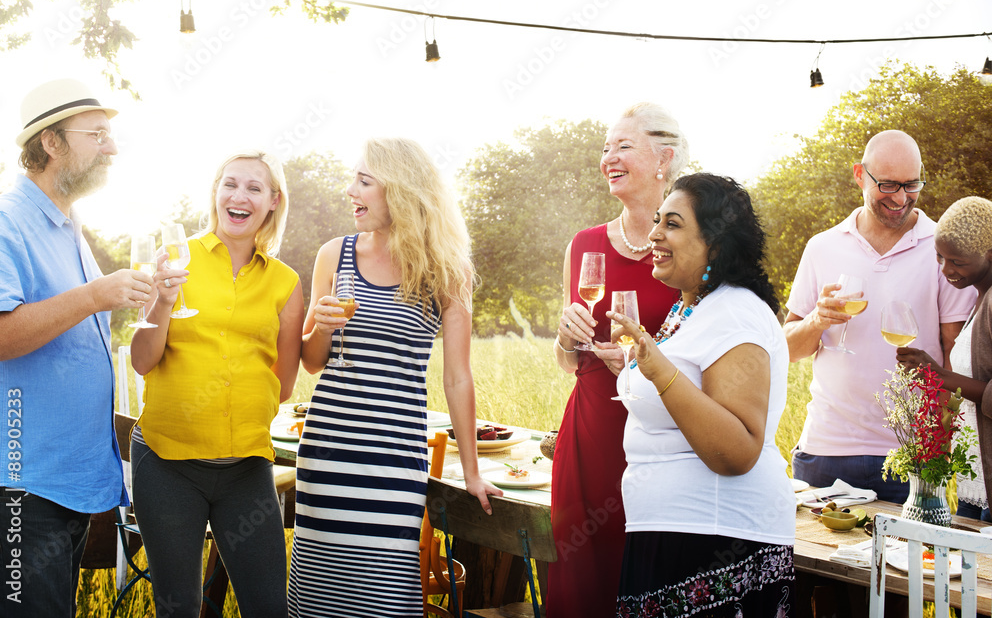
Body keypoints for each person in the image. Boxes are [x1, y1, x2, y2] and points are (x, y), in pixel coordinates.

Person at [287, 137, 501, 618]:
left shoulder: (447, 271)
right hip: (328, 452)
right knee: (320, 597)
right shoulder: (333, 255)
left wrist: (471, 474)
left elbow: (458, 379)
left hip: (394, 458)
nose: (350, 191)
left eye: (364, 181)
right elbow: (312, 361)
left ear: (400, 191)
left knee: (385, 598)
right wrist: (319, 325)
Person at [0, 78, 148, 618]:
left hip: (67, 482)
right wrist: (94, 295)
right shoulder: (3, 223)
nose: (112, 147)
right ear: (52, 143)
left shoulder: (67, 225)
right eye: (97, 134)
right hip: (22, 485)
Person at [608, 173, 794, 616]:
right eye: (657, 221)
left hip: (714, 543)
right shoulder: (693, 307)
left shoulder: (737, 312)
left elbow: (736, 450)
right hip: (672, 536)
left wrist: (658, 369)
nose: (654, 234)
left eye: (672, 224)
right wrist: (636, 369)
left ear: (715, 241)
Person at [129, 150, 303, 618]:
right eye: (230, 184)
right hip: (167, 464)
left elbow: (282, 385)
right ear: (216, 193)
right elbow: (142, 361)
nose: (239, 196)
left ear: (273, 201)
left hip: (245, 468)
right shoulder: (174, 262)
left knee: (268, 607)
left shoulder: (285, 283)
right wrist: (162, 302)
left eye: (253, 188)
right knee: (179, 607)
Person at [548, 102, 688, 618]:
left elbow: (702, 352)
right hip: (589, 439)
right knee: (583, 588)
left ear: (663, 159)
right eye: (606, 147)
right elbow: (567, 361)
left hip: (662, 442)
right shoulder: (584, 244)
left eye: (624, 146)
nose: (609, 156)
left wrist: (639, 363)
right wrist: (567, 337)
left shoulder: (688, 248)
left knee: (647, 582)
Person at [784, 130, 975, 503]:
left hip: (910, 457)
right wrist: (816, 321)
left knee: (908, 563)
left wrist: (941, 439)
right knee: (813, 562)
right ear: (860, 175)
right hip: (824, 451)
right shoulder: (822, 247)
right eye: (888, 185)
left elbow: (956, 354)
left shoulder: (941, 247)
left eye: (911, 185)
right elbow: (787, 349)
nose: (900, 198)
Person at [895, 196, 992, 520]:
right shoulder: (980, 298)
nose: (946, 270)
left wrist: (939, 375)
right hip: (975, 486)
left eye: (958, 262)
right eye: (940, 258)